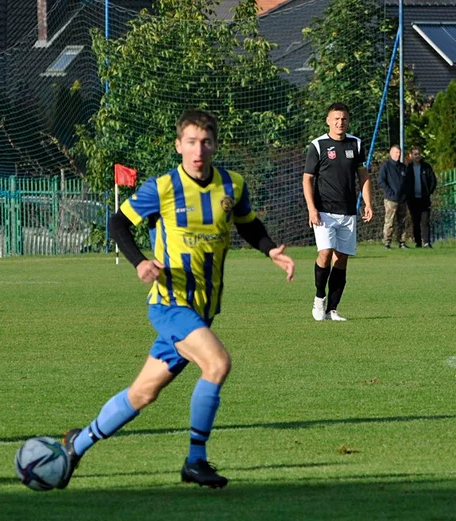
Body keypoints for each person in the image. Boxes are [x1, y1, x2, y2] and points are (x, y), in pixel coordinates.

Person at [59, 109, 296, 490]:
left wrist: (270, 250)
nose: (198, 150)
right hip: (170, 305)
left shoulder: (232, 186)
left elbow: (248, 224)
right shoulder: (163, 187)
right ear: (178, 145)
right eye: (191, 142)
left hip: (203, 309)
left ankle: (77, 445)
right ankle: (195, 460)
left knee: (143, 392)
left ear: (215, 145)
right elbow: (117, 222)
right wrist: (138, 262)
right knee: (217, 364)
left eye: (205, 142)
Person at [303, 102, 374, 321]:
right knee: (325, 252)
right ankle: (318, 298)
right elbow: (307, 179)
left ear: (348, 121)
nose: (339, 122)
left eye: (343, 119)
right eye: (335, 118)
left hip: (348, 212)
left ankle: (332, 310)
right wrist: (311, 208)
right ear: (328, 121)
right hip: (324, 211)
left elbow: (363, 176)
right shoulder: (318, 145)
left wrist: (368, 203)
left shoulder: (356, 144)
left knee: (341, 259)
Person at [405, 146, 438, 248]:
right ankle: (418, 242)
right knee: (415, 221)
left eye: (418, 154)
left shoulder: (426, 167)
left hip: (424, 199)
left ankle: (427, 242)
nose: (417, 156)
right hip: (412, 199)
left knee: (425, 221)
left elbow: (433, 180)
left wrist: (429, 192)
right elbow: (405, 182)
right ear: (411, 155)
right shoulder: (408, 168)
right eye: (415, 154)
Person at [377, 145, 409, 249]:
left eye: (399, 153)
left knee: (403, 222)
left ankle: (402, 242)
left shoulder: (403, 167)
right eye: (396, 152)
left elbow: (407, 182)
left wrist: (405, 194)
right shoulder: (386, 166)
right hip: (391, 200)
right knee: (389, 222)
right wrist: (390, 192)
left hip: (402, 200)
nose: (398, 154)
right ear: (391, 153)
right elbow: (381, 181)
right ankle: (387, 243)